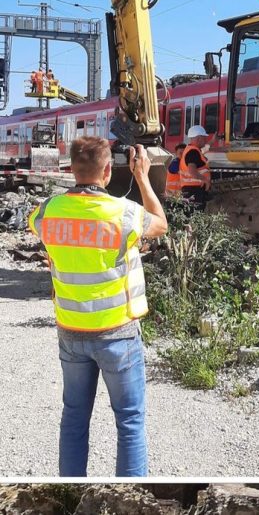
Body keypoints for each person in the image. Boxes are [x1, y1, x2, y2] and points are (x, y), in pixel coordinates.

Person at [28, 137, 167, 477]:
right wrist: (143, 177)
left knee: (74, 418)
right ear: (108, 170)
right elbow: (160, 224)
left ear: (72, 168)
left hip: (71, 332)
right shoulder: (124, 213)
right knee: (130, 422)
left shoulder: (48, 211)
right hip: (117, 332)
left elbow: (36, 224)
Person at [179, 125, 212, 209]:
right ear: (199, 138)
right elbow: (192, 171)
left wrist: (213, 141)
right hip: (194, 191)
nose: (206, 140)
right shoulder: (193, 152)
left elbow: (206, 148)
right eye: (204, 138)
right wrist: (206, 181)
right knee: (195, 214)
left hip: (191, 190)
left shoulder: (192, 150)